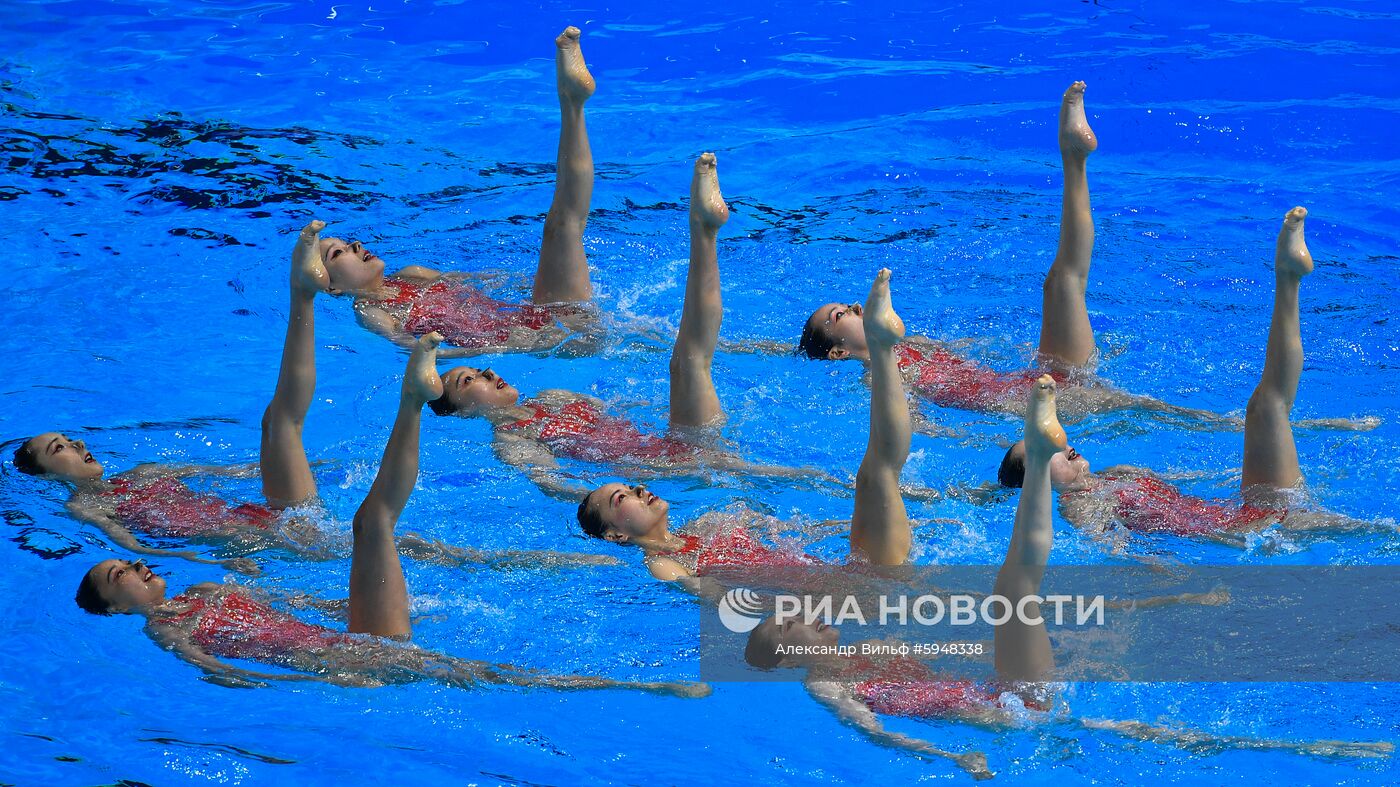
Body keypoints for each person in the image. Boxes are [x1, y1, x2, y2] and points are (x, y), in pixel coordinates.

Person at [744, 374, 1392, 777]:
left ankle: (1329, 750)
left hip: (1008, 695)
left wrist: (1144, 612)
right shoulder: (824, 681)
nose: (807, 614)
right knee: (1014, 593)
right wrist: (951, 758)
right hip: (1007, 712)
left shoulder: (870, 648)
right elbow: (872, 730)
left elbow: (972, 649)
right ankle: (1036, 450)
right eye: (791, 621)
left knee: (1028, 614)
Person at [70, 334, 705, 698]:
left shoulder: (207, 591)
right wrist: (296, 682)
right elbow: (215, 669)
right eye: (119, 575)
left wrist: (365, 607)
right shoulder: (165, 629)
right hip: (346, 660)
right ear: (117, 609)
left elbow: (299, 607)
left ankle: (410, 406)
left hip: (345, 634)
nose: (135, 566)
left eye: (125, 563)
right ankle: (641, 688)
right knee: (480, 670)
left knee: (390, 540)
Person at [13, 221, 614, 571]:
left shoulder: (142, 473)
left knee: (285, 431)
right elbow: (143, 550)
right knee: (402, 540)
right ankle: (552, 561)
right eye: (59, 449)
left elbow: (228, 473)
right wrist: (219, 560)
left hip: (269, 515)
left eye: (69, 439)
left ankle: (549, 560)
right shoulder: (86, 510)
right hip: (268, 537)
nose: (78, 447)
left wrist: (309, 467)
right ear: (44, 475)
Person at [795, 83, 1215, 423]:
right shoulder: (879, 376)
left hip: (1035, 377)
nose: (855, 305)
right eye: (840, 315)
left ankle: (1074, 157)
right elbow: (913, 426)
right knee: (1153, 409)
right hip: (1036, 403)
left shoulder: (912, 345)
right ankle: (1226, 424)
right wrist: (986, 442)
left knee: (1061, 284)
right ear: (839, 353)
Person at [428, 153, 818, 497]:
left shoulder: (553, 396)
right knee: (689, 366)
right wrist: (612, 509)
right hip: (670, 466)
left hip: (673, 441)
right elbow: (555, 485)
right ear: (461, 412)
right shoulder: (510, 439)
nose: (488, 371)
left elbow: (626, 415)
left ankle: (705, 233)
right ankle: (703, 232)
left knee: (690, 363)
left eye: (476, 369)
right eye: (468, 380)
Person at [998, 208, 1386, 545]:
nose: (1059, 440)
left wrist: (1241, 474)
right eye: (1041, 450)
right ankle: (1287, 280)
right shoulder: (1079, 507)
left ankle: (1288, 280)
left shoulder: (1117, 473)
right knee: (1269, 410)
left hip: (1247, 510)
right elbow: (1119, 556)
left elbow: (1194, 483)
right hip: (1251, 532)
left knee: (1265, 408)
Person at [576, 267, 915, 585]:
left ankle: (882, 348)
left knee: (874, 478)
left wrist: (868, 520)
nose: (638, 489)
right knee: (876, 476)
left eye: (629, 486)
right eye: (621, 498)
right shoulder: (662, 564)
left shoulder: (707, 525)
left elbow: (802, 532)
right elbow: (715, 598)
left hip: (842, 578)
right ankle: (881, 349)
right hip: (840, 600)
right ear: (616, 535)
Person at [339, 27, 600, 358]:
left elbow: (493, 282)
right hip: (538, 343)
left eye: (346, 243)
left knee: (561, 227)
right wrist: (506, 348)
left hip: (538, 317)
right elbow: (421, 354)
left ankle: (572, 103)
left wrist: (545, 277)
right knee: (563, 227)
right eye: (338, 254)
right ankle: (571, 104)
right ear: (331, 286)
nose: (355, 245)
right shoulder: (370, 310)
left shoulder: (412, 275)